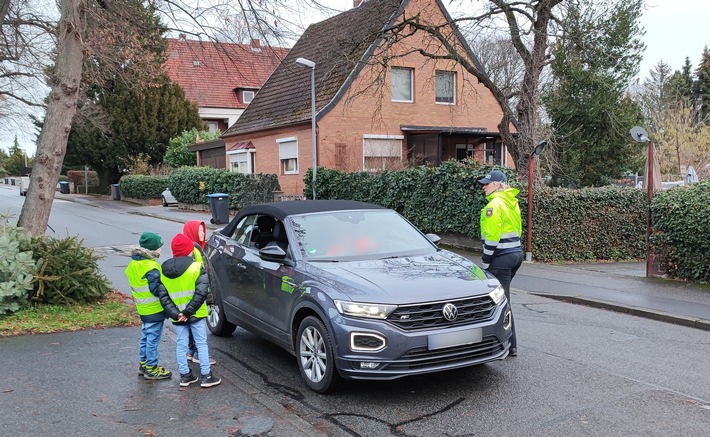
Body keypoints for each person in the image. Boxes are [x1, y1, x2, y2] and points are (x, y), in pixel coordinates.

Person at [157, 233, 221, 388]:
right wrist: (188, 312)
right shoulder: (196, 267)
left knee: (181, 344)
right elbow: (201, 293)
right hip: (196, 314)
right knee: (201, 343)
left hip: (177, 316)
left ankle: (185, 375)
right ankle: (206, 375)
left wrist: (177, 314)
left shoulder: (163, 270)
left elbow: (164, 297)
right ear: (189, 250)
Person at [478, 169, 524, 357]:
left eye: (487, 184)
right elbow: (519, 230)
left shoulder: (494, 205)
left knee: (501, 302)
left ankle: (509, 345)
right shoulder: (511, 203)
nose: (483, 187)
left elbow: (492, 236)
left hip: (501, 257)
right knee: (502, 299)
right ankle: (508, 343)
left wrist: (486, 259)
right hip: (515, 255)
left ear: (497, 185)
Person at [124, 232, 172, 380]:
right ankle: (151, 368)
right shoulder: (150, 266)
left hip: (143, 308)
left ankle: (143, 364)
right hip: (154, 309)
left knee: (145, 336)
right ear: (152, 249)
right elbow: (156, 289)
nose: (160, 250)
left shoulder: (134, 264)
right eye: (159, 247)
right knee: (153, 339)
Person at [182, 220, 216, 366]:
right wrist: (207, 294)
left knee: (190, 324)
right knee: (197, 326)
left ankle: (190, 351)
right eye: (199, 231)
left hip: (189, 294)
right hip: (197, 294)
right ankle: (198, 354)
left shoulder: (192, 247)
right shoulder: (194, 250)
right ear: (192, 233)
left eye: (203, 231)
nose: (203, 234)